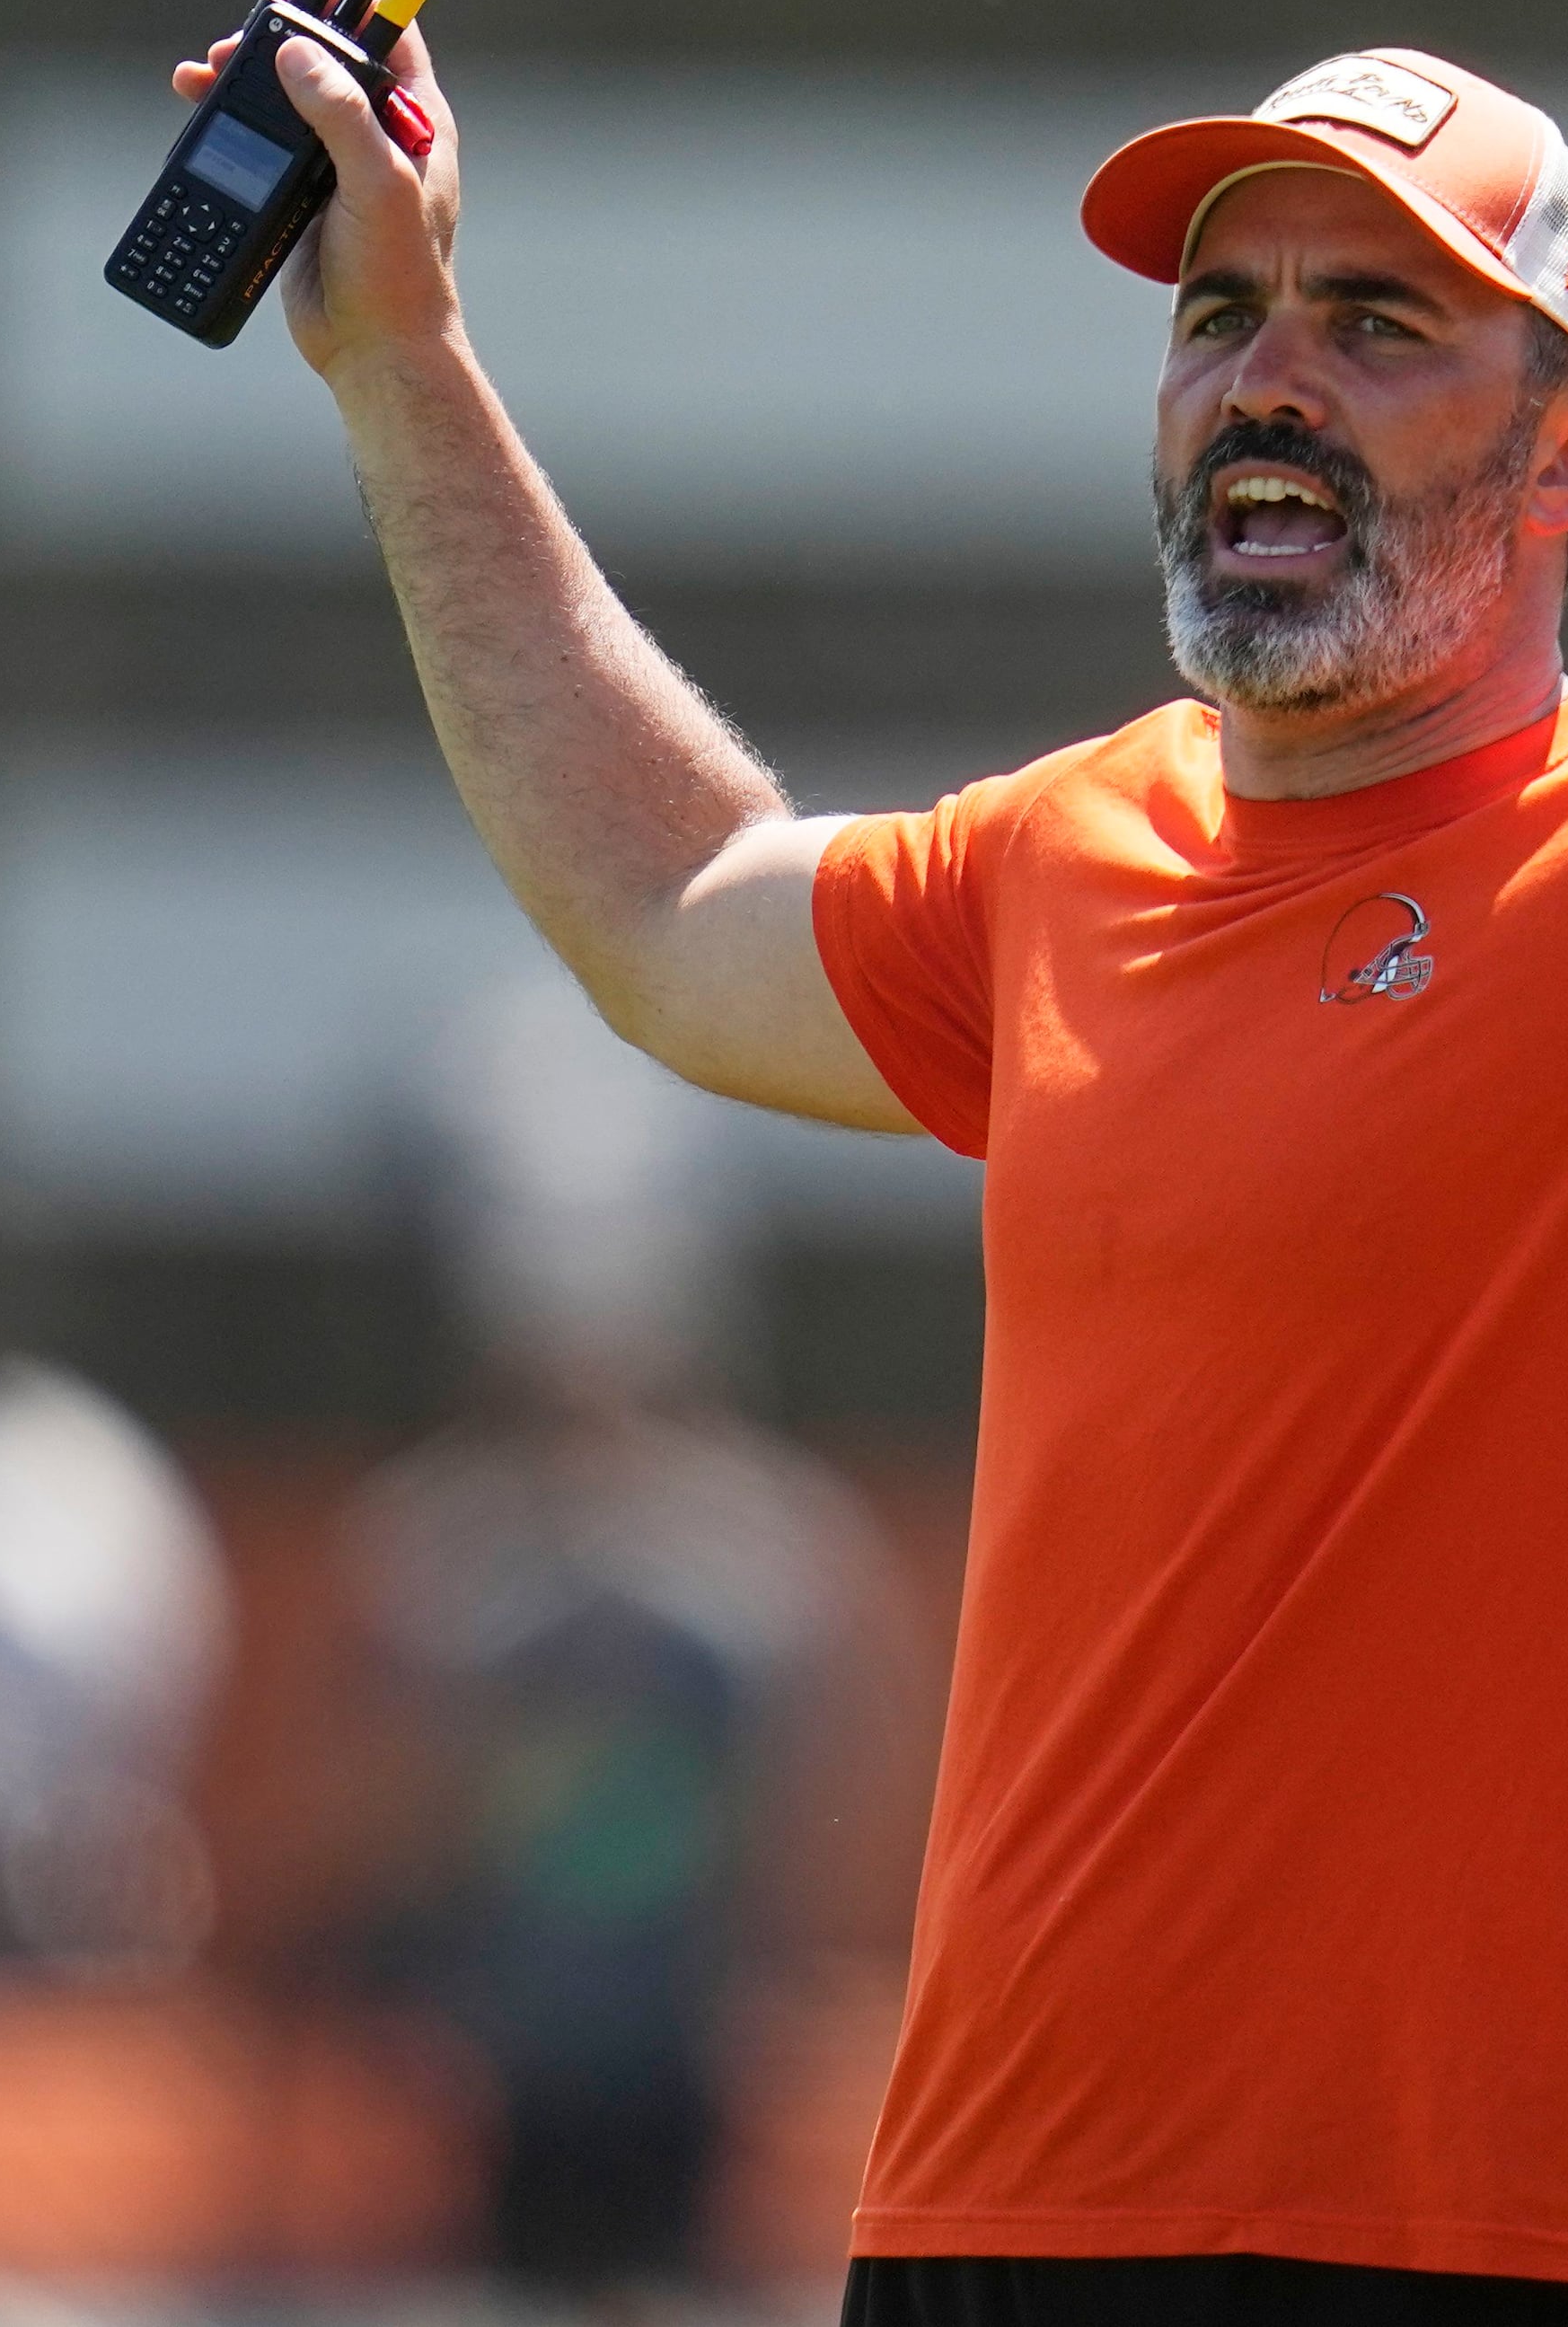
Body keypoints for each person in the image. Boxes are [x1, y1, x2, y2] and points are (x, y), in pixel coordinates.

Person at [177, 0, 1568, 2323]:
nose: (1264, 370)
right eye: (1223, 309)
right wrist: (402, 353)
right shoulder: (1071, 845)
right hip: (990, 2231)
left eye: (1378, 323)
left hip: (1476, 2253)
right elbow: (669, 906)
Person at [339, 971, 920, 2305]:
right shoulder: (449, 1545)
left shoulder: (760, 1548)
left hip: (678, 2052)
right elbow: (391, 1795)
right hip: (513, 2056)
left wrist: (782, 1970)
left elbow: (829, 1774)